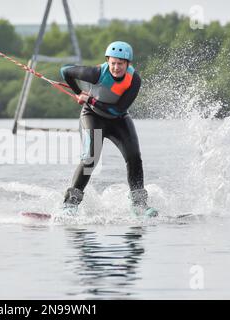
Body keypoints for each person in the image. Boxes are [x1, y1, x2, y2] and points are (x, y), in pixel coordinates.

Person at [60, 41, 157, 217]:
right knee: (90, 158)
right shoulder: (96, 73)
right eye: (113, 63)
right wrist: (78, 92)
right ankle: (70, 205)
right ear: (107, 61)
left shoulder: (134, 79)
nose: (116, 67)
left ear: (128, 64)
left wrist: (89, 99)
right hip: (92, 117)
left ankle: (139, 206)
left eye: (120, 63)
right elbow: (65, 71)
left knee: (134, 157)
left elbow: (118, 109)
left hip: (118, 119)